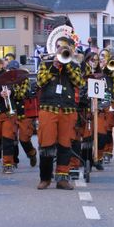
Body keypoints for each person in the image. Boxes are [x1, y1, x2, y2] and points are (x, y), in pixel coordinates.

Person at [35, 32, 85, 190]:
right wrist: (54, 68)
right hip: (48, 108)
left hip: (68, 109)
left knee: (65, 144)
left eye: (64, 48)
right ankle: (45, 178)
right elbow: (40, 82)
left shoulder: (75, 66)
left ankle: (62, 178)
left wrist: (67, 64)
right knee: (46, 144)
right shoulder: (46, 63)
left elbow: (79, 82)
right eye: (59, 47)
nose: (61, 50)